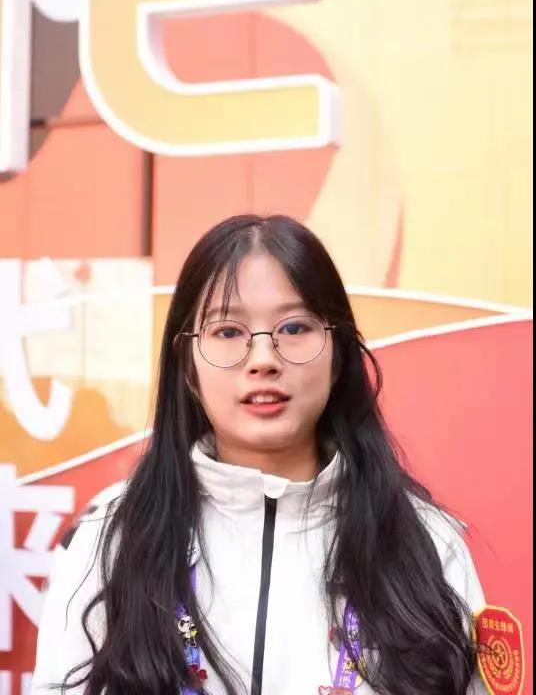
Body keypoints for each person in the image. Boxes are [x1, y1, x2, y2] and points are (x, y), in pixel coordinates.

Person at [31, 214, 490, 695]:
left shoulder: (425, 543)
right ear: (187, 367)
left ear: (338, 356)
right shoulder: (111, 539)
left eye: (294, 327)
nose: (264, 359)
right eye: (228, 332)